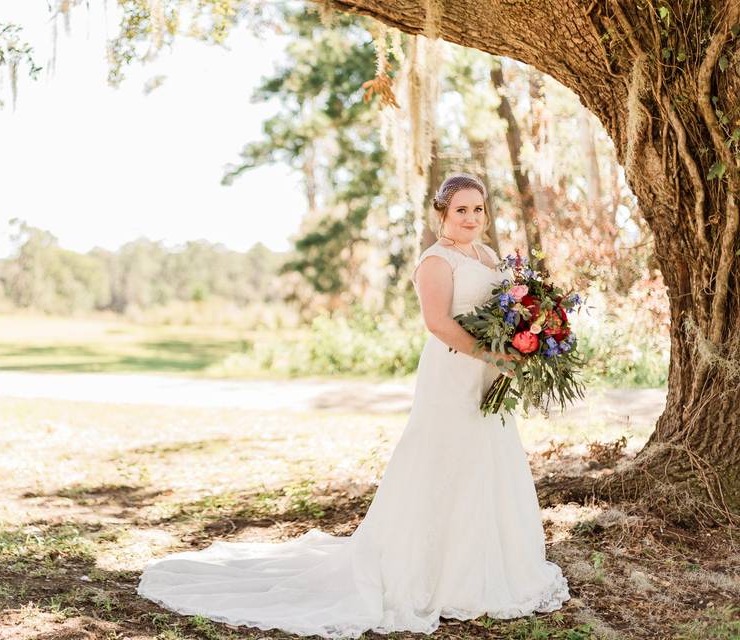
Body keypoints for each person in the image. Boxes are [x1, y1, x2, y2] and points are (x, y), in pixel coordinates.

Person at [135, 171, 571, 638]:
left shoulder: (486, 255)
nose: (471, 217)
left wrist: (528, 336)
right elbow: (438, 324)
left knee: (486, 460)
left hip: (488, 373)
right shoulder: (435, 261)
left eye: (478, 209)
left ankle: (484, 569)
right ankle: (432, 575)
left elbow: (506, 310)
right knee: (444, 460)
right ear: (441, 213)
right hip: (452, 373)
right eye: (461, 209)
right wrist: (495, 354)